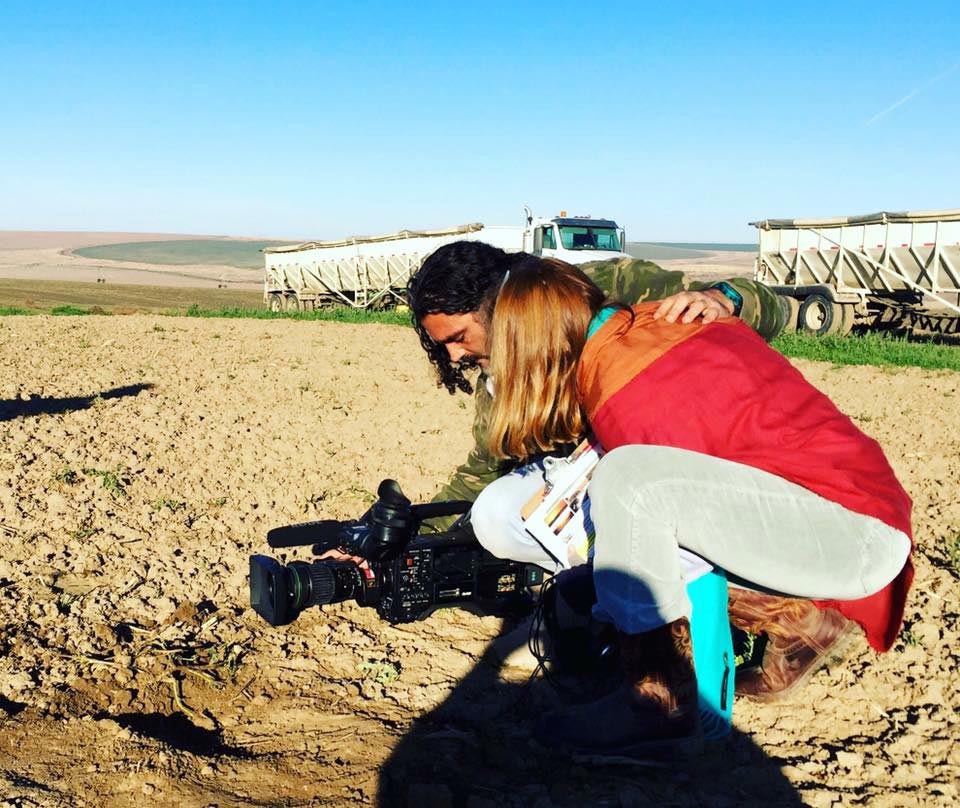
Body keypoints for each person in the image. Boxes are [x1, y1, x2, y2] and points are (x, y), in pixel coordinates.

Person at [479, 256, 912, 757]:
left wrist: (612, 598)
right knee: (635, 509)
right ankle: (799, 620)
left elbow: (677, 553)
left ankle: (658, 703)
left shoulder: (626, 387)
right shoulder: (651, 328)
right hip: (855, 516)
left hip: (849, 538)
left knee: (628, 483)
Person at [409, 241, 849, 701]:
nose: (454, 356)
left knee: (629, 496)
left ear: (495, 306)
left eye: (458, 337)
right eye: (444, 346)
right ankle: (606, 615)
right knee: (497, 514)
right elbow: (482, 469)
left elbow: (769, 307)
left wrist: (725, 299)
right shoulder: (497, 373)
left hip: (710, 460)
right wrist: (411, 538)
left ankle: (788, 616)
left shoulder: (606, 287)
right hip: (613, 474)